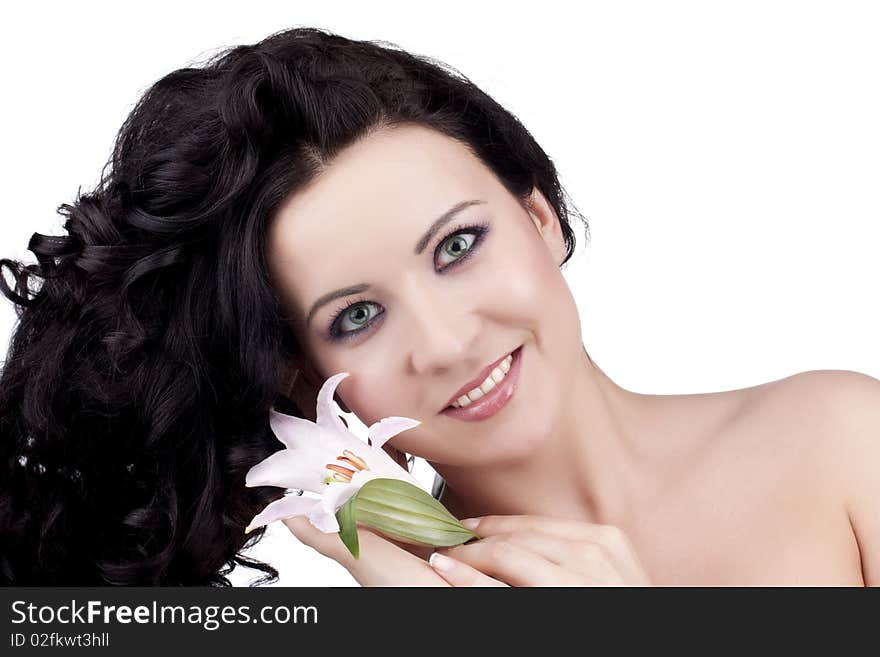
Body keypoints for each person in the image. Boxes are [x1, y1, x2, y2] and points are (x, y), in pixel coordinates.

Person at [0, 26, 876, 587]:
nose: (448, 340)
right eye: (358, 316)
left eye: (458, 246)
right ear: (308, 382)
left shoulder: (842, 443)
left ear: (539, 216)